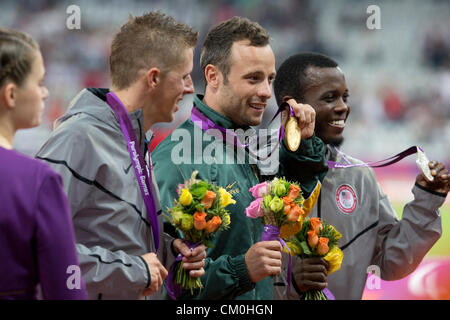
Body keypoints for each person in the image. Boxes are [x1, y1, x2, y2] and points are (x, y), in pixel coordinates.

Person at [152, 17, 328, 300]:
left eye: (269, 79)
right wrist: (242, 270)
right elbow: (162, 284)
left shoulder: (245, 144)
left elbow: (287, 209)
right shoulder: (176, 160)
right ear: (213, 76)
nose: (265, 92)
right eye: (253, 78)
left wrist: (302, 146)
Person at [35, 12, 206, 300]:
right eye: (185, 76)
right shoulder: (79, 137)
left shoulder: (134, 140)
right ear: (153, 78)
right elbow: (34, 242)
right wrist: (135, 270)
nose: (190, 87)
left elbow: (110, 234)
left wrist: (169, 248)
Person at [273, 52, 450, 299]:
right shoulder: (254, 168)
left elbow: (391, 261)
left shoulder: (360, 176)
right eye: (329, 98)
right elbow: (227, 272)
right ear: (290, 106)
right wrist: (287, 278)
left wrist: (427, 200)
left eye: (344, 97)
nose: (343, 107)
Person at [0, 28, 87, 300]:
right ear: (11, 94)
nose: (45, 92)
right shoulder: (37, 181)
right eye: (39, 83)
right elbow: (66, 291)